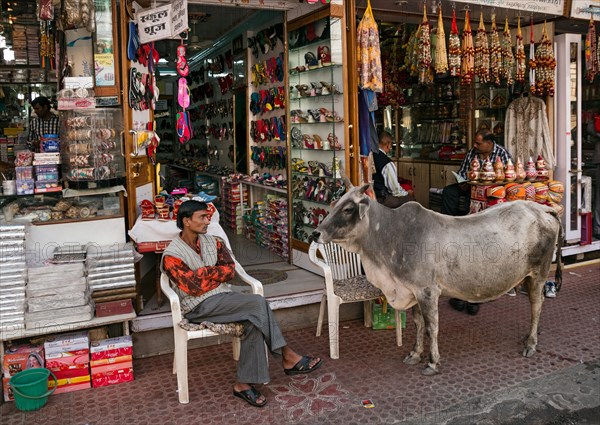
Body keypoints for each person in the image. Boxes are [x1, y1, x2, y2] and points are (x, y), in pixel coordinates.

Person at [161, 200, 322, 408]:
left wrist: (204, 275)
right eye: (202, 217)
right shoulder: (172, 254)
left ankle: (243, 384)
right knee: (257, 302)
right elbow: (192, 286)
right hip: (197, 307)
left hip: (223, 299)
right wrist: (211, 275)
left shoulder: (215, 242)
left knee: (253, 323)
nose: (207, 221)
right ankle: (287, 356)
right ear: (186, 221)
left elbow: (228, 271)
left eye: (207, 216)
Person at [442, 129, 513, 315]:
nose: (475, 145)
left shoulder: (502, 154)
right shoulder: (472, 154)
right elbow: (462, 173)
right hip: (472, 188)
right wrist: (463, 183)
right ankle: (450, 225)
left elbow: (509, 177)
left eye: (478, 143)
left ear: (489, 143)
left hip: (492, 191)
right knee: (449, 192)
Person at [372, 131, 414, 208]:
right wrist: (408, 193)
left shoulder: (371, 155)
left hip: (372, 196)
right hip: (382, 199)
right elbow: (395, 190)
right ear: (388, 145)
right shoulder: (386, 163)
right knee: (411, 201)